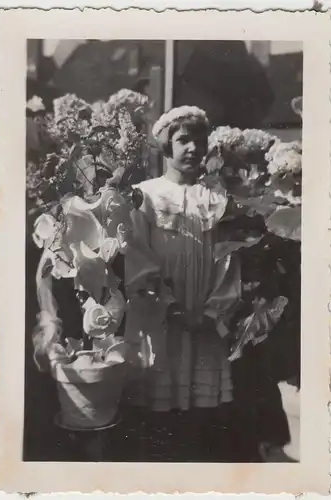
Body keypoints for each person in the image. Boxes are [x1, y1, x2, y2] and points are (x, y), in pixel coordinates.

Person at [123, 106, 241, 461]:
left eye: (199, 141)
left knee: (199, 413)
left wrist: (212, 311)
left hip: (205, 315)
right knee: (158, 406)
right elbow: (137, 257)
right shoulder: (143, 196)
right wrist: (167, 306)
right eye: (182, 140)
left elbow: (230, 258)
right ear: (166, 145)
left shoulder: (217, 200)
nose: (192, 148)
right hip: (160, 316)